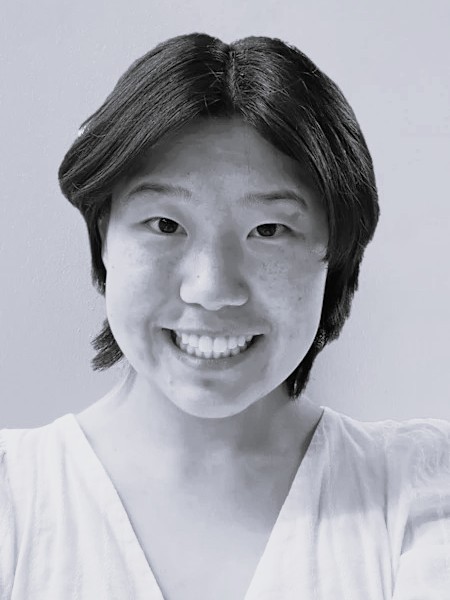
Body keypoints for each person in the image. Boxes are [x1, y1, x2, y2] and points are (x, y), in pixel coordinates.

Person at [0, 33, 449, 600]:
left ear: (335, 255)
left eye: (269, 230)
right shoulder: (13, 499)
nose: (211, 289)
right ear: (104, 237)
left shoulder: (422, 492)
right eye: (166, 225)